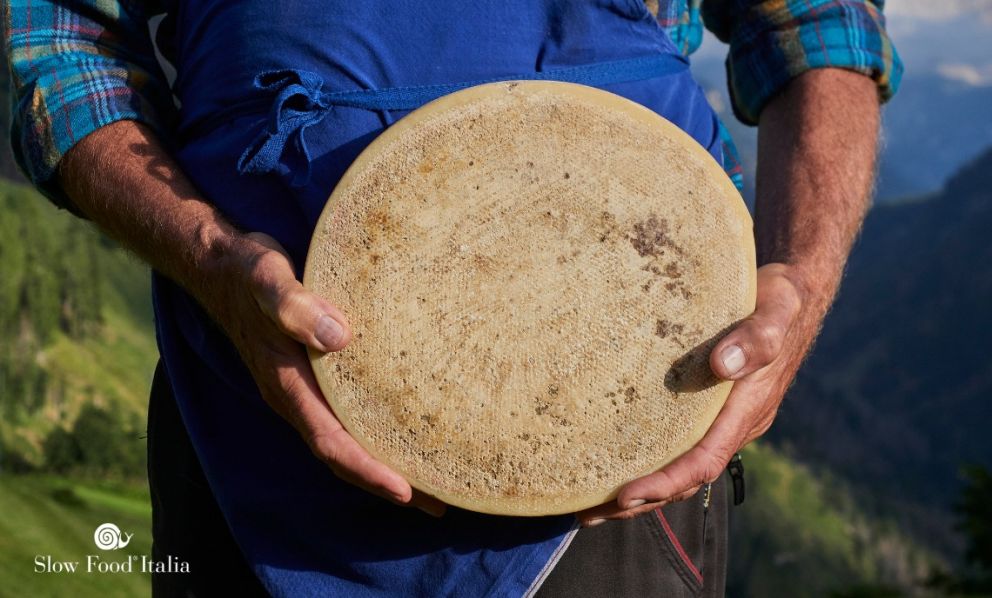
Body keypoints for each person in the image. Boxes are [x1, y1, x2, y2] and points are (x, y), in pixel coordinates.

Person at [5, 1, 901, 596]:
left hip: (630, 438)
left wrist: (804, 282)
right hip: (245, 416)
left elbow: (817, 22)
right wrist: (206, 255)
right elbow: (57, 41)